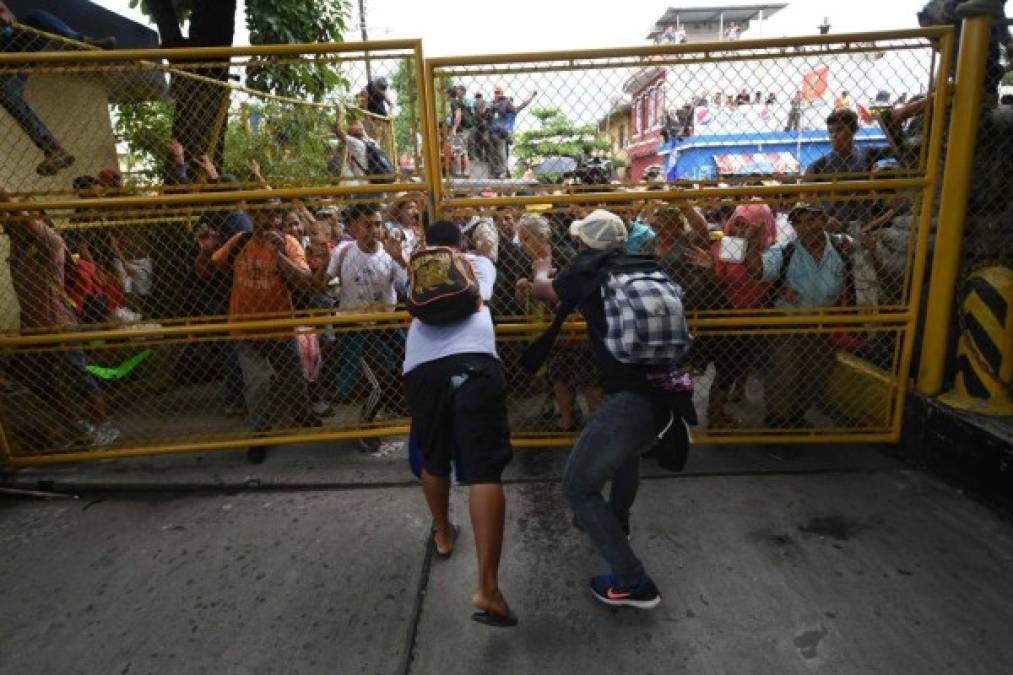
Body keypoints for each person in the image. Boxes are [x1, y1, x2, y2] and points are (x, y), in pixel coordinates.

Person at [530, 209, 694, 610]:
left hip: (629, 400)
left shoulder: (588, 270)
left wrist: (541, 268)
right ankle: (616, 521)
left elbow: (545, 292)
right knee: (626, 458)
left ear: (584, 243)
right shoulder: (644, 266)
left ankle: (633, 582)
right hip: (666, 393)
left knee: (578, 487)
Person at [402, 220, 517, 627]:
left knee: (434, 458)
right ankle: (487, 587)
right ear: (460, 244)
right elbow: (479, 297)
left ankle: (444, 533)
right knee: (483, 470)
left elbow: (411, 309)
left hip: (421, 369)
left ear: (426, 246)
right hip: (475, 362)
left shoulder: (413, 266)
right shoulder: (478, 263)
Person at [203, 200, 319, 463]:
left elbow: (305, 280)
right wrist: (205, 251)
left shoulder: (288, 243)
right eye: (265, 213)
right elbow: (209, 268)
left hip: (279, 325)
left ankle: (303, 414)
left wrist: (278, 254)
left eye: (276, 213)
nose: (272, 219)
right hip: (246, 328)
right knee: (258, 382)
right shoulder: (240, 242)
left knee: (293, 374)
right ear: (253, 215)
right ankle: (260, 436)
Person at [2, 189, 119, 447]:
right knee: (38, 380)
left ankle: (104, 426)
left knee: (78, 376)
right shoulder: (19, 246)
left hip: (59, 324)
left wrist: (4, 196)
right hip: (34, 329)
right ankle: (77, 425)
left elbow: (22, 218)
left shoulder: (50, 240)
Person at [744, 204, 852, 428]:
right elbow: (758, 271)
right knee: (785, 374)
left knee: (817, 374)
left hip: (821, 325)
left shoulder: (841, 245)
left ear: (823, 220)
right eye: (799, 222)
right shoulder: (785, 251)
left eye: (811, 220)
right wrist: (752, 245)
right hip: (787, 323)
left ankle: (796, 418)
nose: (806, 227)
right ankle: (776, 425)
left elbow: (862, 247)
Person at [320, 202, 407, 449]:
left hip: (384, 323)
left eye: (378, 224)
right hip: (355, 325)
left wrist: (399, 257)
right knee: (375, 381)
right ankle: (366, 425)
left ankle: (381, 410)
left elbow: (407, 286)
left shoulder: (389, 253)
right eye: (367, 225)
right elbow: (323, 281)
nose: (374, 230)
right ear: (354, 227)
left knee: (403, 365)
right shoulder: (344, 251)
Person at [0, 3, 115, 176]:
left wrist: (5, 13)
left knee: (36, 16)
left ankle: (82, 43)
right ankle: (53, 150)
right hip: (4, 66)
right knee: (5, 92)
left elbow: (5, 11)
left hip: (13, 44)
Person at [515, 214, 601, 432]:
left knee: (589, 379)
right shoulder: (528, 262)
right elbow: (521, 301)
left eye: (525, 238)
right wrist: (523, 287)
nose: (522, 245)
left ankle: (597, 424)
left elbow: (575, 291)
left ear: (542, 237)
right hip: (551, 331)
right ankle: (567, 418)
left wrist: (544, 283)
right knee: (559, 376)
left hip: (576, 327)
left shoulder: (566, 256)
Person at [488, 86, 536, 178]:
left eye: (510, 102)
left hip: (506, 132)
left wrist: (531, 97)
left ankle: (503, 170)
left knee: (502, 150)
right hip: (497, 131)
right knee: (499, 151)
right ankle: (501, 170)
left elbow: (523, 104)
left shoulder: (512, 111)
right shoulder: (499, 108)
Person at [447, 87, 474, 178]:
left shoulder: (454, 102)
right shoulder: (459, 102)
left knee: (458, 150)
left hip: (460, 130)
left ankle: (459, 172)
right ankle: (466, 172)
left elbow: (458, 115)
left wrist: (454, 128)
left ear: (449, 94)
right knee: (464, 151)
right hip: (465, 129)